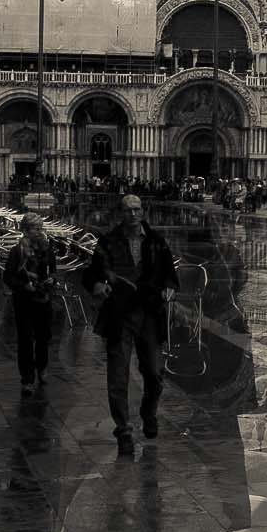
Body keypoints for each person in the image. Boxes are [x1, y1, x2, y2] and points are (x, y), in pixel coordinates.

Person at [83, 194, 179, 456]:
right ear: (120, 214)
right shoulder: (108, 241)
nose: (133, 215)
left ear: (143, 212)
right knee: (118, 374)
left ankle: (149, 413)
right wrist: (97, 285)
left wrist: (170, 287)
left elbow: (170, 272)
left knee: (155, 373)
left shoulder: (157, 242)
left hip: (149, 313)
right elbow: (92, 272)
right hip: (119, 314)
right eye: (128, 210)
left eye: (137, 210)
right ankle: (123, 428)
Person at [2, 213, 57, 393]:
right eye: (35, 228)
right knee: (25, 339)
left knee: (43, 337)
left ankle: (41, 367)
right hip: (24, 302)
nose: (39, 232)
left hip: (44, 299)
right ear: (25, 230)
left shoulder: (47, 249)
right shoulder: (17, 252)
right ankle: (27, 378)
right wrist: (24, 286)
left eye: (40, 228)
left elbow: (54, 272)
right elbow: (8, 277)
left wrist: (51, 281)